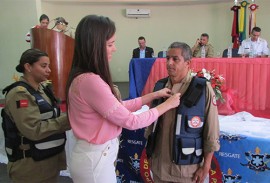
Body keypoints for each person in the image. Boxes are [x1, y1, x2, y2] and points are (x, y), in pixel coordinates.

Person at [65, 15, 180, 183]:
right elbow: (130, 121)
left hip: (95, 156)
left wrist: (154, 95)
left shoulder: (85, 78)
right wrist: (167, 105)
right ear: (95, 46)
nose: (115, 49)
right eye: (110, 44)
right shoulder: (91, 81)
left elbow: (118, 107)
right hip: (95, 160)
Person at [145, 42, 220, 183]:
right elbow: (151, 126)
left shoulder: (201, 89)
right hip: (159, 169)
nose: (169, 63)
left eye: (175, 59)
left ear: (188, 63)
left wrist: (206, 165)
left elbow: (212, 131)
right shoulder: (160, 87)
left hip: (186, 171)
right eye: (167, 58)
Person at [1, 49, 70, 183]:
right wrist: (69, 119)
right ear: (28, 67)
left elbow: (53, 115)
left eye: (48, 66)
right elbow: (33, 130)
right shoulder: (19, 94)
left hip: (48, 162)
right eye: (43, 66)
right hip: (31, 168)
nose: (49, 70)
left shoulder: (42, 90)